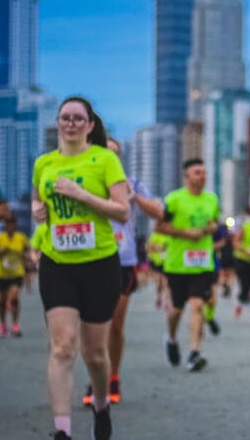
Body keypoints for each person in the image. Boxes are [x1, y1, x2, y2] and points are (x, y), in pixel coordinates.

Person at [32, 96, 129, 440]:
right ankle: (62, 431)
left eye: (77, 118)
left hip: (100, 265)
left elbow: (122, 211)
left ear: (89, 125)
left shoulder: (104, 161)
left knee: (95, 355)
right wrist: (37, 210)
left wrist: (81, 194)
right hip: (57, 262)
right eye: (64, 118)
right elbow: (39, 197)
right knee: (62, 345)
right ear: (58, 124)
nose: (70, 123)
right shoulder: (44, 163)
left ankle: (100, 405)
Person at [82, 138, 163, 406]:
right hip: (90, 259)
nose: (110, 157)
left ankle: (112, 376)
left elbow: (159, 213)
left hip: (122, 260)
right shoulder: (83, 181)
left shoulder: (131, 182)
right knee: (93, 326)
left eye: (115, 154)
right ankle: (96, 377)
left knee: (114, 324)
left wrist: (135, 196)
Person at [156, 158, 219, 372]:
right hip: (178, 263)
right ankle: (171, 338)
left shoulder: (212, 199)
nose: (202, 176)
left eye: (203, 172)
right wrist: (185, 233)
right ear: (187, 176)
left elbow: (215, 223)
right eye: (197, 172)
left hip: (202, 262)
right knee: (176, 309)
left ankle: (194, 352)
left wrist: (210, 228)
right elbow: (160, 227)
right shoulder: (174, 199)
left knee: (198, 305)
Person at [0, 215, 29, 337]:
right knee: (1, 301)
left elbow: (28, 252)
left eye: (12, 224)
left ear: (16, 225)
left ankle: (15, 325)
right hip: (2, 273)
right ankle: (3, 325)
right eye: (8, 224)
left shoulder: (21, 238)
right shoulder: (0, 238)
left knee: (15, 296)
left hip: (17, 272)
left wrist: (24, 255)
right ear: (4, 226)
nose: (10, 226)